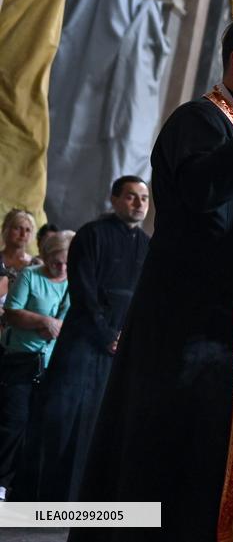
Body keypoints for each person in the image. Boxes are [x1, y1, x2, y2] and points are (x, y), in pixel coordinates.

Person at [71, 14, 233, 542]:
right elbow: (206, 192)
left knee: (207, 484)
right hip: (184, 336)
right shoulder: (199, 121)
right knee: (160, 476)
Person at [22, 177, 150, 502]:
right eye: (132, 197)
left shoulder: (148, 245)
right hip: (83, 346)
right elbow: (84, 290)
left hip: (117, 352)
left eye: (144, 198)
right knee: (62, 425)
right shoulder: (92, 235)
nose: (139, 204)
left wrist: (129, 339)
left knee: (98, 431)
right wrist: (107, 335)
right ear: (115, 199)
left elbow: (147, 298)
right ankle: (43, 507)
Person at [0, 230, 72, 501]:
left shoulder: (72, 283)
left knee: (40, 425)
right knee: (14, 422)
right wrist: (45, 322)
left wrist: (52, 325)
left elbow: (69, 322)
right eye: (56, 261)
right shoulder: (31, 276)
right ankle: (2, 482)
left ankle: (25, 486)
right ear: (47, 257)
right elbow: (13, 312)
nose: (61, 267)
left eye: (66, 263)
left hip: (51, 364)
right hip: (21, 359)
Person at [0, 210, 40, 309]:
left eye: (28, 230)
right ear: (6, 229)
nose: (23, 234)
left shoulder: (36, 265)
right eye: (18, 228)